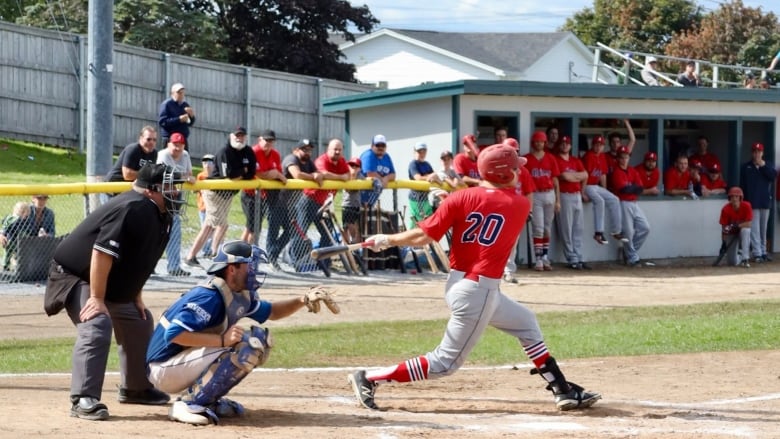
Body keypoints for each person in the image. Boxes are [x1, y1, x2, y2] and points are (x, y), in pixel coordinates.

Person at [346, 143, 600, 413]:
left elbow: (423, 236)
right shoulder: (519, 204)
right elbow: (490, 200)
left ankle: (562, 389)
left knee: (526, 323)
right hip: (478, 291)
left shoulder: (460, 199)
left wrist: (385, 239)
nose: (519, 172)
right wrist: (454, 195)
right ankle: (369, 377)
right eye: (515, 168)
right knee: (444, 363)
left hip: (463, 285)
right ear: (504, 174)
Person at [43, 163, 185, 421]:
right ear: (151, 190)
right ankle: (83, 398)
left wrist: (136, 295)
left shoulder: (161, 214)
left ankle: (136, 388)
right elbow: (101, 252)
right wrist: (97, 298)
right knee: (96, 322)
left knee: (139, 320)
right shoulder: (133, 207)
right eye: (170, 187)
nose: (176, 192)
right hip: (75, 276)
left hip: (105, 280)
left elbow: (143, 259)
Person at [146, 240, 340, 425]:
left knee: (258, 341)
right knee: (248, 345)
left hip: (182, 362)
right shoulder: (209, 296)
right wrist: (222, 340)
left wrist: (303, 300)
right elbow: (173, 334)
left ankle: (207, 400)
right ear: (232, 269)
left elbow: (272, 311)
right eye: (250, 265)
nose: (254, 270)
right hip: (163, 367)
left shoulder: (237, 294)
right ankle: (190, 403)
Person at [185, 126, 256, 268]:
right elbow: (229, 175)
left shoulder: (248, 151)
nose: (239, 138)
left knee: (209, 226)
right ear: (231, 136)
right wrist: (243, 172)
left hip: (228, 194)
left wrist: (240, 173)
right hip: (214, 192)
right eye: (237, 135)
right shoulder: (225, 151)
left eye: (242, 135)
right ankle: (216, 255)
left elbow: (251, 172)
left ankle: (191, 256)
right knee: (222, 225)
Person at [265, 139, 324, 270]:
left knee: (291, 231)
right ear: (296, 150)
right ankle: (271, 259)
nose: (307, 152)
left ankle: (272, 255)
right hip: (276, 200)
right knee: (273, 232)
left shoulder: (308, 162)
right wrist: (313, 176)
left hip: (288, 204)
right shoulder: (291, 158)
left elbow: (318, 174)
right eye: (304, 149)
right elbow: (296, 174)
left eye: (309, 149)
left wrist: (316, 174)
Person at [294, 138, 349, 249]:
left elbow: (348, 175)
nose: (337, 152)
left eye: (340, 149)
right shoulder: (322, 160)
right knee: (301, 233)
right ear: (328, 149)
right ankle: (295, 261)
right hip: (309, 201)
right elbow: (323, 174)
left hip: (324, 205)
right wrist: (340, 177)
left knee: (328, 234)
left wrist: (340, 177)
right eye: (335, 149)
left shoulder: (342, 161)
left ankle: (323, 261)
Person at [157, 132, 196, 276]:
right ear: (169, 144)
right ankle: (149, 266)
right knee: (156, 234)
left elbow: (190, 174)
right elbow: (163, 176)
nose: (177, 148)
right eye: (174, 145)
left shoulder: (185, 155)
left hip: (174, 199)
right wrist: (183, 177)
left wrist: (184, 177)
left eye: (180, 145)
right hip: (158, 199)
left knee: (175, 232)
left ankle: (174, 267)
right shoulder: (163, 155)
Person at [524, 131, 560, 271]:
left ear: (545, 143)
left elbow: (556, 180)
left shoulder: (550, 158)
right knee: (538, 228)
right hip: (536, 195)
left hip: (549, 193)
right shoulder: (527, 159)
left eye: (541, 141)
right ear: (533, 143)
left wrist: (558, 200)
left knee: (547, 228)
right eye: (537, 141)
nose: (539, 143)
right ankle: (538, 258)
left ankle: (545, 257)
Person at [610, 146, 651, 266]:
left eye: (626, 157)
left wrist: (632, 188)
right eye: (621, 157)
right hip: (623, 203)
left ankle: (629, 252)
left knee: (645, 228)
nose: (624, 160)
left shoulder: (633, 170)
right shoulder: (616, 172)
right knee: (628, 232)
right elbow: (624, 189)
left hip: (634, 203)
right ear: (618, 158)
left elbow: (640, 189)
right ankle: (632, 258)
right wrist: (633, 187)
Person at [553, 136, 590, 270]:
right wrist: (576, 177)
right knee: (566, 228)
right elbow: (563, 176)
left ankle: (579, 256)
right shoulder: (556, 160)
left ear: (570, 146)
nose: (565, 146)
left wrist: (578, 184)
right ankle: (572, 258)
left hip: (576, 195)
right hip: (564, 195)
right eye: (562, 143)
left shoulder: (575, 160)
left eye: (567, 143)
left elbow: (585, 175)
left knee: (578, 228)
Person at [582, 135, 626, 244]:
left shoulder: (602, 156)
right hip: (587, 185)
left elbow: (603, 175)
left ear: (603, 146)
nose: (598, 147)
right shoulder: (588, 156)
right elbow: (584, 176)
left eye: (600, 145)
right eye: (596, 145)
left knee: (614, 199)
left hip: (596, 186)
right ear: (592, 145)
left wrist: (605, 191)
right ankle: (598, 233)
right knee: (600, 201)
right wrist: (582, 192)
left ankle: (616, 231)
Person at [501, 137, 534, 283]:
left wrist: (529, 210)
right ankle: (492, 271)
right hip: (501, 209)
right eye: (509, 152)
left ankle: (508, 271)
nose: (513, 154)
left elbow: (529, 192)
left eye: (515, 152)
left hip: (517, 210)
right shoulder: (497, 169)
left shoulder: (523, 171)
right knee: (497, 242)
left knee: (513, 242)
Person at [243, 129, 284, 245]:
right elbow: (256, 173)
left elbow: (279, 175)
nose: (269, 143)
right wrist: (273, 174)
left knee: (251, 227)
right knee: (254, 228)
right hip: (250, 195)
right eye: (267, 140)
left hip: (262, 197)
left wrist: (275, 174)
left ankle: (240, 253)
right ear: (260, 140)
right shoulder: (253, 152)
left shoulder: (275, 154)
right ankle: (247, 254)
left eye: (271, 140)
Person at [740, 142, 777, 262]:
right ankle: (757, 253)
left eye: (759, 152)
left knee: (763, 229)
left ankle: (763, 252)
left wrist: (762, 165)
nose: (757, 154)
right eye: (755, 152)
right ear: (752, 153)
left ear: (762, 153)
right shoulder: (746, 167)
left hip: (765, 201)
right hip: (752, 201)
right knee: (754, 229)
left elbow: (772, 176)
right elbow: (743, 185)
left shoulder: (768, 165)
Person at [407, 142, 441, 226]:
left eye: (423, 152)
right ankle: (408, 238)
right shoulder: (413, 164)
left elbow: (436, 178)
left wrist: (432, 176)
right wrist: (430, 176)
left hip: (425, 197)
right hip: (416, 198)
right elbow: (418, 178)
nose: (421, 154)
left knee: (428, 221)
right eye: (419, 152)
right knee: (418, 223)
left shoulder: (427, 164)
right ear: (414, 152)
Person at [719, 187, 752, 268]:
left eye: (736, 196)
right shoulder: (725, 209)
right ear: (729, 198)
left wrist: (737, 225)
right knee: (731, 262)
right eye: (732, 196)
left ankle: (745, 259)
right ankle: (740, 255)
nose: (734, 199)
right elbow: (724, 229)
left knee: (746, 231)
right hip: (732, 234)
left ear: (740, 197)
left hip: (741, 232)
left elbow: (749, 224)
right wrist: (723, 243)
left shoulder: (746, 206)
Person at [158, 83, 195, 150]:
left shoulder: (185, 105)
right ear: (172, 93)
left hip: (182, 139)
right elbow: (162, 122)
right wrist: (179, 119)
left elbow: (190, 123)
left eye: (182, 93)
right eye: (178, 92)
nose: (181, 95)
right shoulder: (167, 104)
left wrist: (192, 116)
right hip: (170, 139)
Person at [1, 201, 32, 271]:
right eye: (26, 214)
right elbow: (7, 227)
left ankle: (8, 265)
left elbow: (5, 225)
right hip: (12, 240)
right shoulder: (15, 219)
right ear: (22, 212)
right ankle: (8, 265)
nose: (27, 216)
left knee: (12, 254)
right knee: (11, 253)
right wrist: (3, 234)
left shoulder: (18, 220)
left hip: (14, 240)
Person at [195, 154, 216, 258]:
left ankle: (210, 248)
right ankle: (206, 250)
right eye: (205, 162)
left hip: (214, 207)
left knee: (214, 228)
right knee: (205, 228)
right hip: (203, 207)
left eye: (210, 162)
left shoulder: (217, 175)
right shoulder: (200, 176)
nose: (207, 165)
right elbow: (196, 190)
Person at [342, 157, 364, 244]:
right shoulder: (346, 174)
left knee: (355, 228)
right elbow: (348, 189)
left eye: (356, 166)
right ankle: (346, 247)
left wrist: (354, 175)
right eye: (351, 165)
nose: (353, 167)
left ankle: (355, 246)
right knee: (345, 227)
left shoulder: (360, 176)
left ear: (360, 168)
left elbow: (356, 188)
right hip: (346, 205)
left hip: (356, 205)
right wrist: (352, 175)